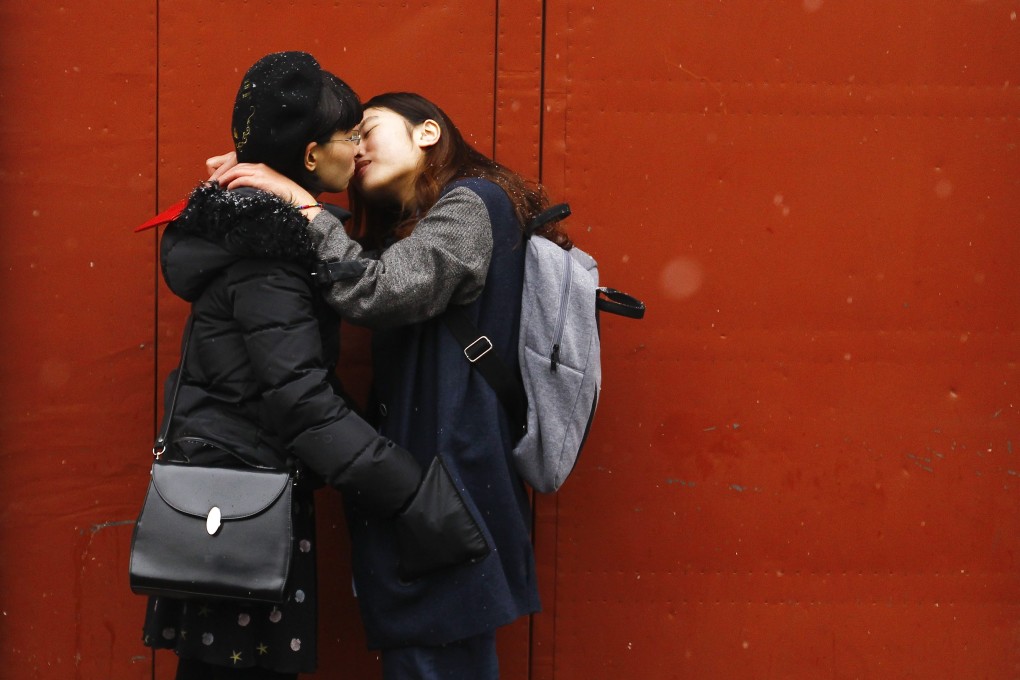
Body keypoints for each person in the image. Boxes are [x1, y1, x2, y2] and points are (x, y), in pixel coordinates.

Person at [143, 56, 483, 680]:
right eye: (350, 137)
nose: (358, 152)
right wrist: (412, 496)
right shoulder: (269, 254)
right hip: (241, 502)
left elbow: (297, 384)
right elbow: (302, 401)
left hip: (237, 494)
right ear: (308, 156)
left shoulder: (262, 234)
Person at [213, 92, 572, 679]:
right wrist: (275, 166)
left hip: (453, 481)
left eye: (368, 130)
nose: (356, 149)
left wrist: (303, 208)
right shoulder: (419, 225)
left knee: (438, 657)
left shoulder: (472, 202)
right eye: (347, 138)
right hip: (439, 483)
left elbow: (378, 291)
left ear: (427, 133)